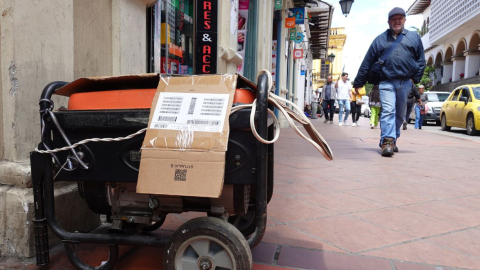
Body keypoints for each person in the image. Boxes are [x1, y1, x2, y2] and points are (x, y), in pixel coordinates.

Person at [353, 7, 425, 157]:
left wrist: (414, 78)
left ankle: (394, 138)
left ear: (404, 20)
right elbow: (367, 62)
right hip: (386, 82)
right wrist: (359, 82)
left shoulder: (414, 37)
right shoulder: (379, 39)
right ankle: (387, 141)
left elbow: (421, 60)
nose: (397, 21)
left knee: (400, 115)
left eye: (400, 18)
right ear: (388, 22)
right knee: (388, 111)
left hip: (406, 82)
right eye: (393, 19)